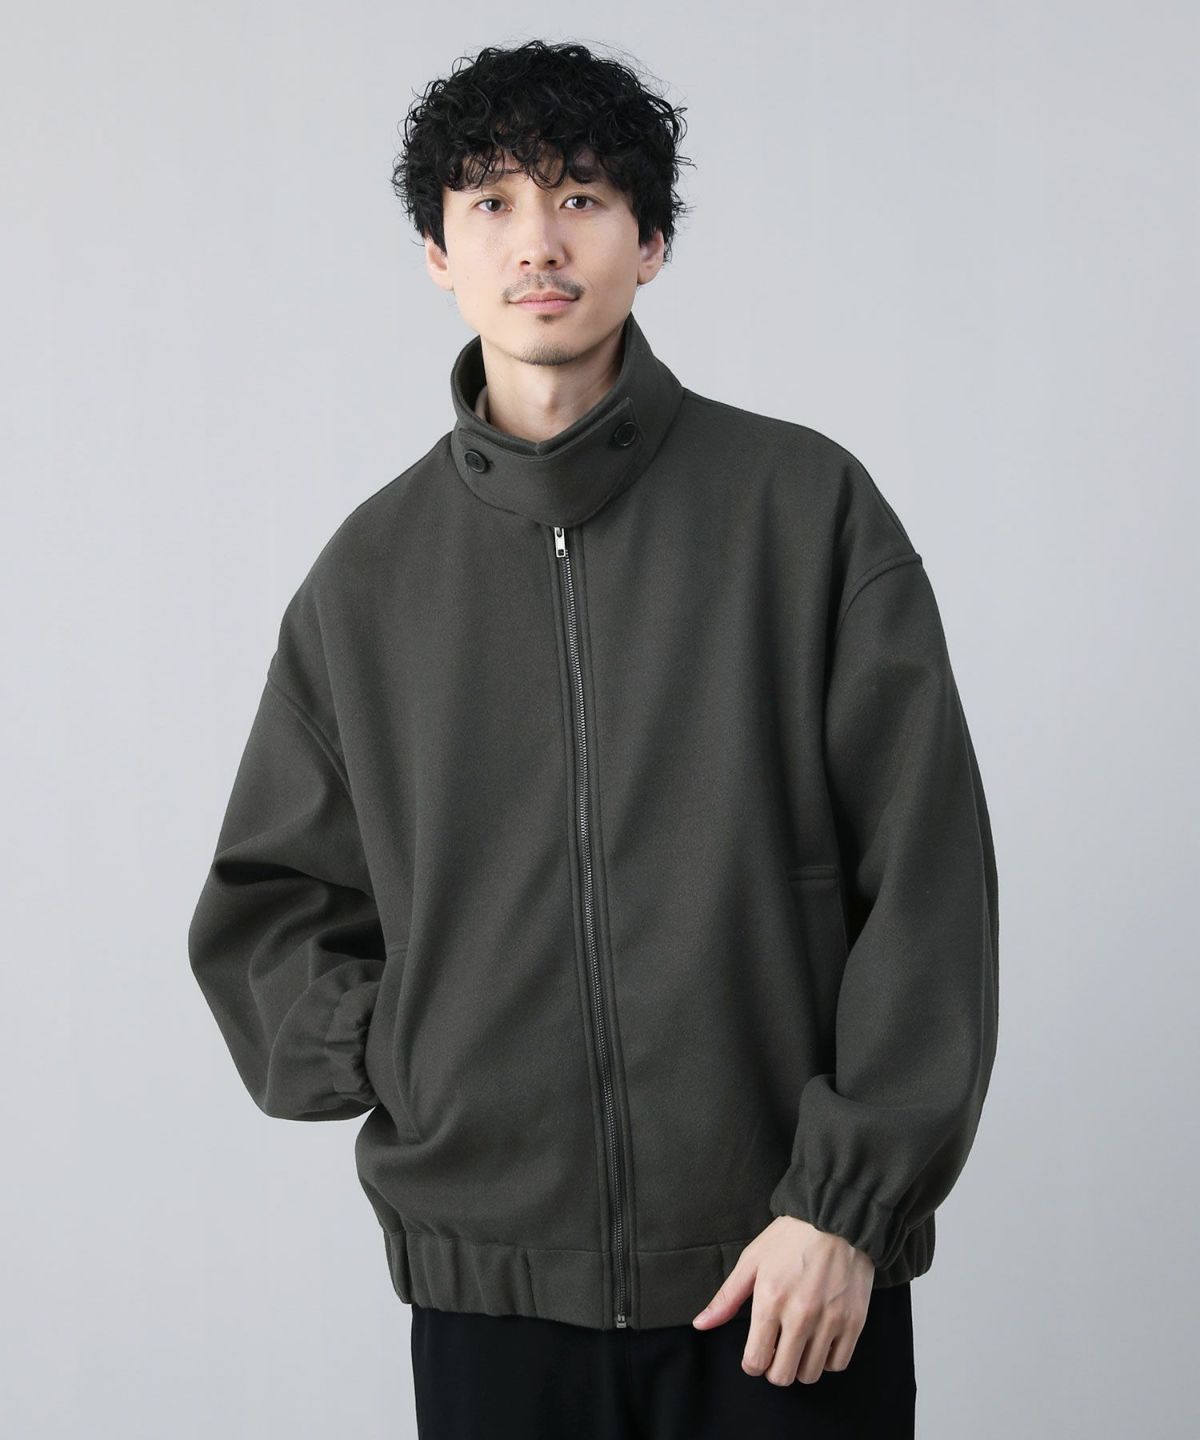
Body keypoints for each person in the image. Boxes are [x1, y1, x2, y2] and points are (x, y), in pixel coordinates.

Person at [188, 37, 999, 1440]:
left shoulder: (806, 512)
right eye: (491, 203)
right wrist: (413, 1046)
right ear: (437, 254)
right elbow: (266, 909)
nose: (538, 242)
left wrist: (844, 1206)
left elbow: (928, 887)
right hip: (494, 1304)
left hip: (786, 1274)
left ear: (651, 241)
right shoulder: (369, 579)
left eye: (581, 197)